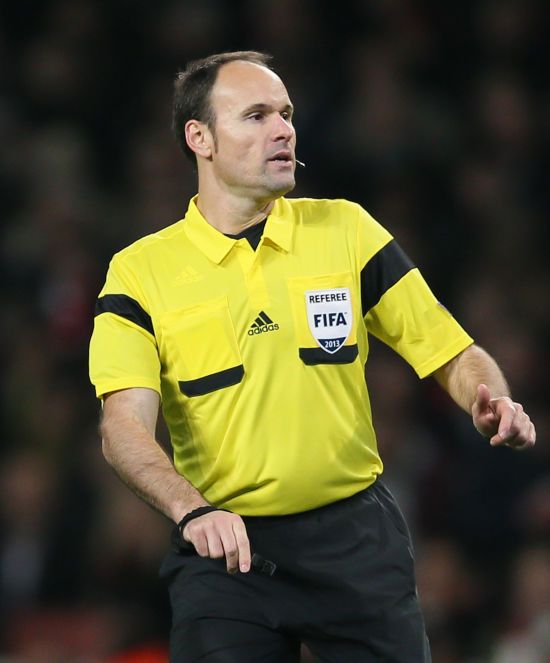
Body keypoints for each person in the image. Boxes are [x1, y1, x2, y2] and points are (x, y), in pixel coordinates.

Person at [89, 51, 536, 662]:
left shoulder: (345, 230)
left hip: (355, 541)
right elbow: (122, 427)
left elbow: (452, 350)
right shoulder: (141, 273)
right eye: (256, 116)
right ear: (200, 138)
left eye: (287, 114)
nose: (282, 130)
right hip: (225, 548)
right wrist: (190, 510)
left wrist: (492, 398)